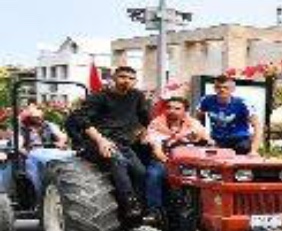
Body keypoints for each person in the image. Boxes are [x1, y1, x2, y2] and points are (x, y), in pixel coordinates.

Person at [65, 66, 152, 219]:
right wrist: (100, 141)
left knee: (141, 172)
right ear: (114, 78)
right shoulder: (99, 97)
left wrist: (144, 133)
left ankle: (141, 209)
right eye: (123, 77)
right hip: (96, 141)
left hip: (122, 143)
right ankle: (130, 204)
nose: (127, 81)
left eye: (131, 78)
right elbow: (82, 120)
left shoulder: (137, 96)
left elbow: (144, 117)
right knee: (117, 161)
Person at [144, 96, 213, 218]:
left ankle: (205, 212)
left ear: (185, 111)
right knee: (153, 174)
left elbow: (207, 141)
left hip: (189, 162)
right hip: (165, 160)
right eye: (169, 108)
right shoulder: (156, 123)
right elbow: (157, 151)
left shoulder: (193, 123)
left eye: (177, 108)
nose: (172, 111)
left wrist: (203, 139)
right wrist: (170, 164)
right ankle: (154, 211)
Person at [196, 76, 261, 154]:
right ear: (214, 88)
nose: (222, 90)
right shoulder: (206, 100)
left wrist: (254, 150)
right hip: (217, 139)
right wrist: (205, 136)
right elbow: (197, 122)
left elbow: (257, 127)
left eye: (226, 87)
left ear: (232, 89)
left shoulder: (243, 104)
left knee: (243, 147)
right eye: (218, 87)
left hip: (239, 140)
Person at [16, 102, 70, 192]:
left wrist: (61, 142)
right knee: (33, 162)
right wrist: (26, 152)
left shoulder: (48, 125)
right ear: (29, 118)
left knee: (69, 155)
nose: (39, 119)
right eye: (36, 118)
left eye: (40, 117)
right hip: (32, 154)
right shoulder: (22, 128)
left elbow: (62, 136)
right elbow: (19, 145)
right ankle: (38, 192)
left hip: (49, 152)